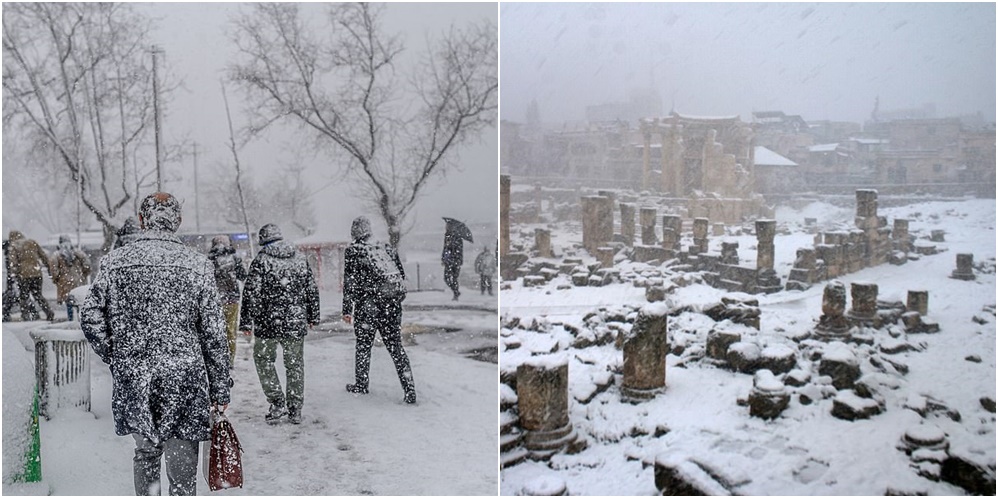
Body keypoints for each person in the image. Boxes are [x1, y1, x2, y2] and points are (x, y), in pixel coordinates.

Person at [80, 192, 230, 496]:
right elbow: (214, 333)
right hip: (184, 378)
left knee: (146, 453)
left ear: (141, 220)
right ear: (178, 221)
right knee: (182, 461)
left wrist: (115, 353)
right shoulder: (198, 265)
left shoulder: (115, 262)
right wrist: (220, 388)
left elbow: (90, 315)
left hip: (136, 378)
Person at [239, 223, 319, 425]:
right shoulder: (300, 258)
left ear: (263, 240)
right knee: (295, 365)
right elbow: (311, 288)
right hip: (295, 319)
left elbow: (251, 294)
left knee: (264, 360)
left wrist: (246, 321)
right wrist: (313, 315)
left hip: (268, 323)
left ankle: (276, 402)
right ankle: (295, 408)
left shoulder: (261, 261)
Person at [342, 216, 416, 404]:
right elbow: (400, 273)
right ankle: (410, 390)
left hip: (368, 307)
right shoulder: (386, 248)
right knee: (396, 347)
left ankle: (361, 384)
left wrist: (347, 309)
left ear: (354, 232)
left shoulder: (353, 251)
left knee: (363, 346)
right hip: (391, 306)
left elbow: (349, 282)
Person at [208, 236, 247, 366]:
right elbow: (242, 275)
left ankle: (218, 359)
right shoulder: (235, 258)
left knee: (216, 330)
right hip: (232, 299)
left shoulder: (209, 259)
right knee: (230, 330)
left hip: (215, 300)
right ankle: (230, 359)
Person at [7, 230, 55, 321]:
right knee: (38, 295)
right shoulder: (32, 242)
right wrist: (48, 267)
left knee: (24, 297)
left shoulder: (14, 246)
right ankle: (49, 312)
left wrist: (14, 274)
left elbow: (13, 262)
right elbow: (43, 256)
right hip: (36, 273)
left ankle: (25, 316)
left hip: (23, 275)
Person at [50, 235, 91, 320]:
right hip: (78, 281)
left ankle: (71, 320)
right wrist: (83, 274)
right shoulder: (78, 253)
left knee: (69, 303)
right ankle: (80, 320)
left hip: (65, 282)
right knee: (79, 302)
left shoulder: (56, 255)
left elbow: (54, 271)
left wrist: (56, 279)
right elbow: (87, 264)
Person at [441, 229, 464, 301]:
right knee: (446, 278)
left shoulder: (458, 238)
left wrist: (451, 245)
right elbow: (445, 249)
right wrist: (443, 259)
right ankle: (456, 291)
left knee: (454, 278)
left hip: (455, 261)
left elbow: (458, 250)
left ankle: (456, 294)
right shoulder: (447, 236)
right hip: (449, 262)